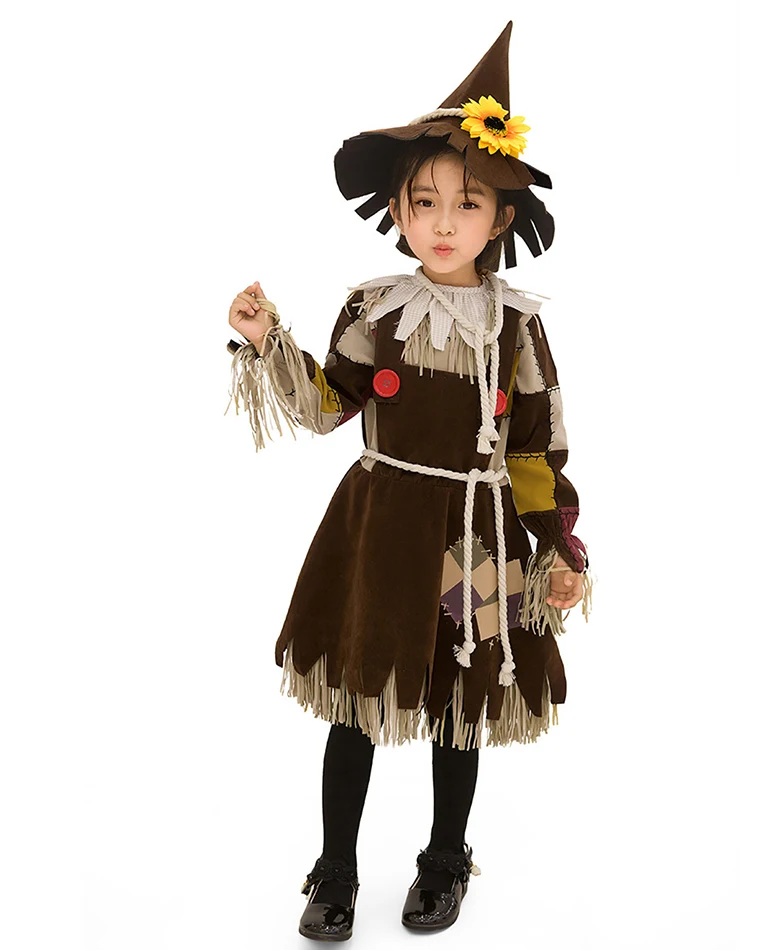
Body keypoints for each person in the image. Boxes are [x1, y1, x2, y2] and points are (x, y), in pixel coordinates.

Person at [225, 20, 594, 941]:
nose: (442, 221)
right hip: (381, 528)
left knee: (458, 703)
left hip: (476, 537)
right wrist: (269, 342)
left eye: (466, 204)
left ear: (500, 220)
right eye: (423, 201)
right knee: (358, 700)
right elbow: (326, 406)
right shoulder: (374, 308)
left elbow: (535, 451)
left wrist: (558, 548)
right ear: (396, 209)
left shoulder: (516, 328)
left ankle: (445, 859)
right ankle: (335, 871)